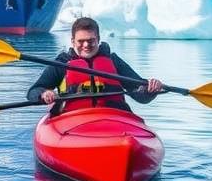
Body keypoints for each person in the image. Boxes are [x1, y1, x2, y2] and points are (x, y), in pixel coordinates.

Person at [26, 17, 164, 114]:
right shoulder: (61, 63)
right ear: (72, 41)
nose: (86, 45)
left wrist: (151, 89)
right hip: (72, 122)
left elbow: (140, 94)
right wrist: (44, 94)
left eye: (91, 40)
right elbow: (33, 91)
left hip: (114, 119)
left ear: (98, 39)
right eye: (81, 41)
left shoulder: (113, 61)